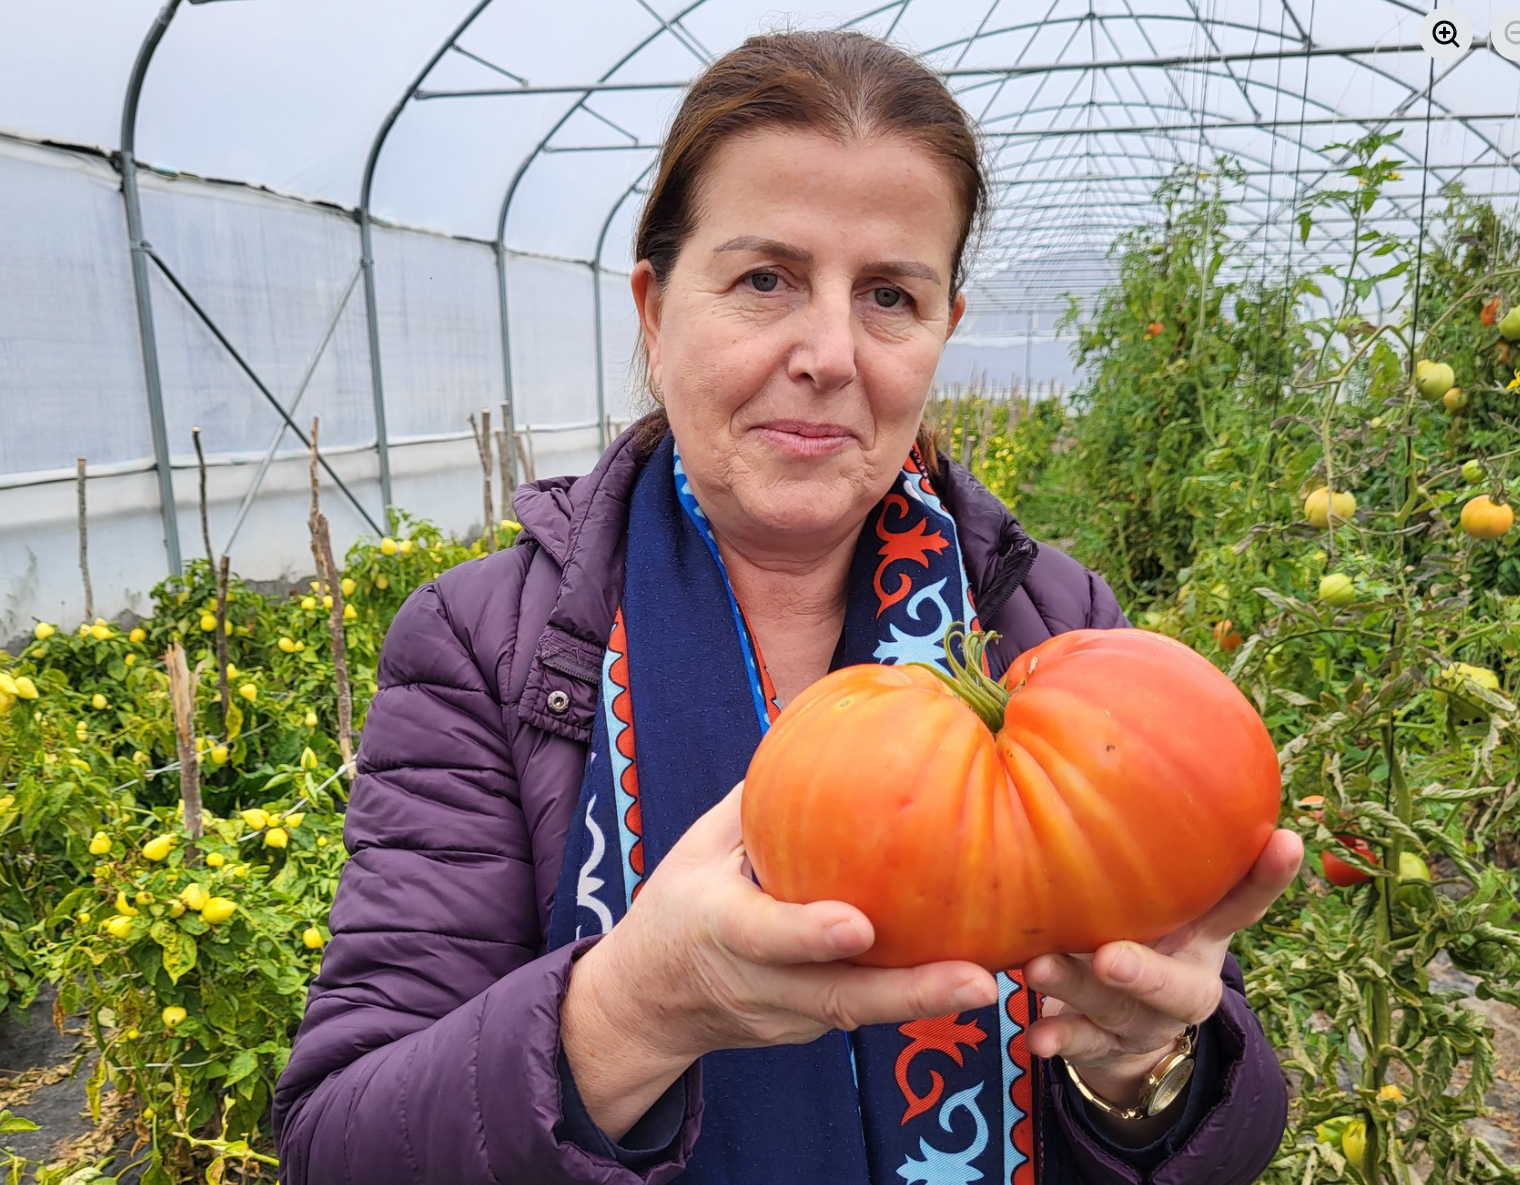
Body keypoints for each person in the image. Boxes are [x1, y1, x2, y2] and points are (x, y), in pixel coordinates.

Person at [273, 29, 1302, 1185]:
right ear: (656, 314)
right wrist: (633, 1013)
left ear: (940, 334)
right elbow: (339, 1144)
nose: (828, 352)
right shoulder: (489, 646)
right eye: (764, 279)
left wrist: (1146, 1070)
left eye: (888, 296)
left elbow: (1219, 1120)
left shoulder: (1057, 630)